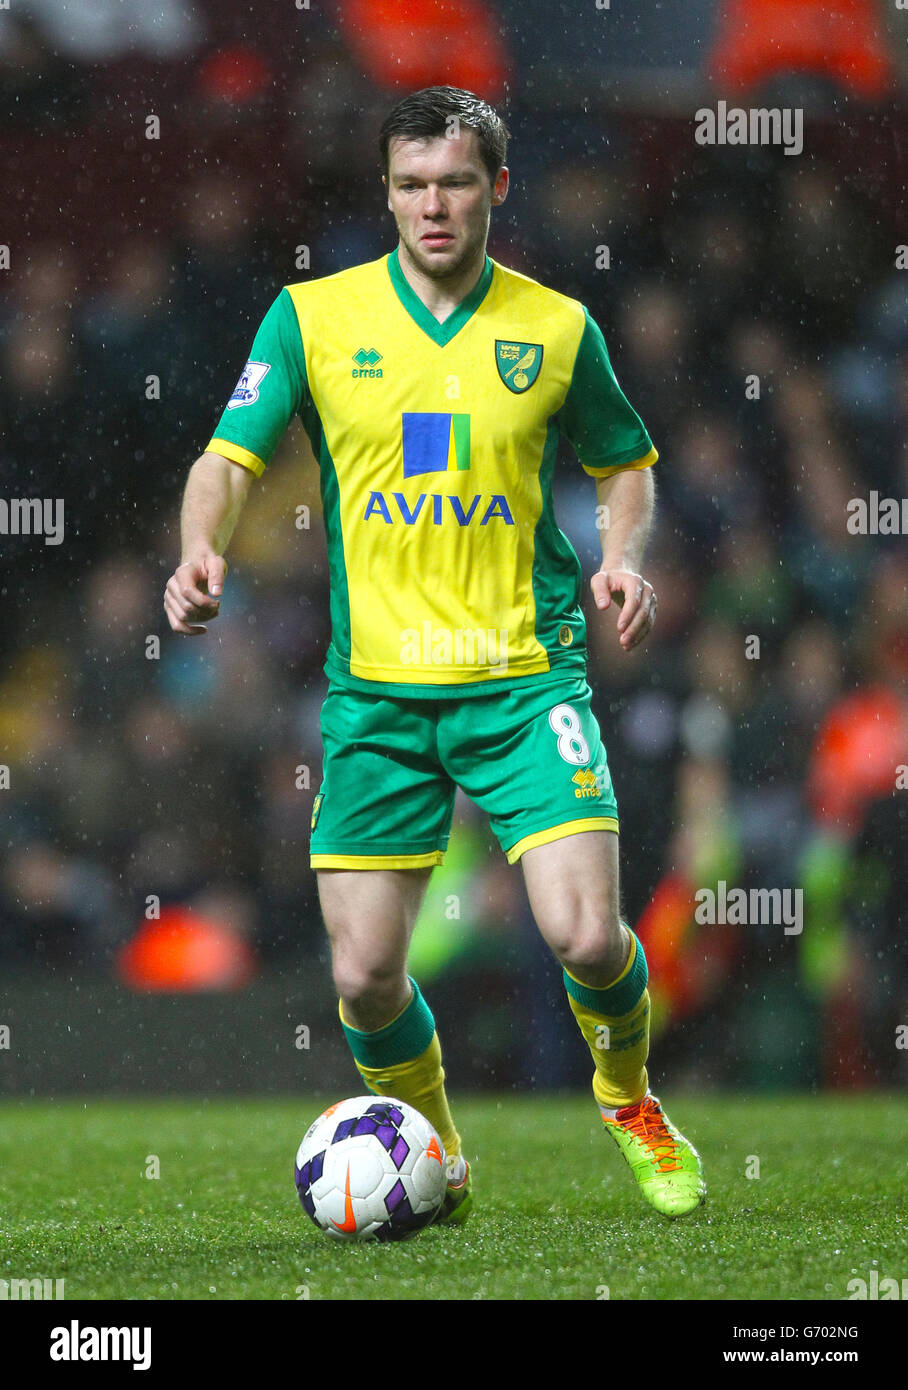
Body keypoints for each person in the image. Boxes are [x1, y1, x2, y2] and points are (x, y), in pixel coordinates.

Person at [164, 86, 705, 1224]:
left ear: (496, 187)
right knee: (361, 976)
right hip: (378, 700)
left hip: (522, 677)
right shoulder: (311, 318)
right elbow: (226, 457)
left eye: (454, 182)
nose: (432, 206)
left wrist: (622, 556)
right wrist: (196, 551)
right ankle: (441, 1156)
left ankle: (629, 1098)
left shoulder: (554, 326)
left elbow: (624, 462)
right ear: (385, 192)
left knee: (588, 933)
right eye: (410, 185)